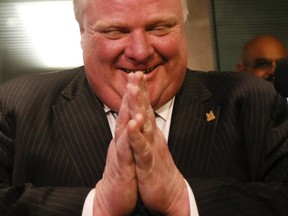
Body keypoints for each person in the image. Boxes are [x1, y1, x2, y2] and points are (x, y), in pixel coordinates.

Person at [1, 0, 288, 215]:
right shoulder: (18, 107)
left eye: (159, 28)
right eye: (115, 31)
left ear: (182, 26)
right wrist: (96, 207)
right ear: (82, 33)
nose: (140, 52)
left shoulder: (252, 102)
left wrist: (183, 199)